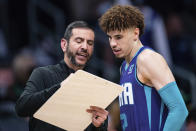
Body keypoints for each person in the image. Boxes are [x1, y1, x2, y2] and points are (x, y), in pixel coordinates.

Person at [99, 5, 188, 131]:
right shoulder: (123, 68)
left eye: (118, 37)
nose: (113, 43)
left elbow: (179, 109)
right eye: (110, 37)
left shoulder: (148, 59)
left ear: (135, 33)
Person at [15, 21, 108, 131]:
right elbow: (21, 108)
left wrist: (100, 125)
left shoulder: (94, 84)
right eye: (79, 41)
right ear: (64, 45)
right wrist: (59, 88)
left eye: (90, 43)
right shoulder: (42, 74)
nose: (85, 47)